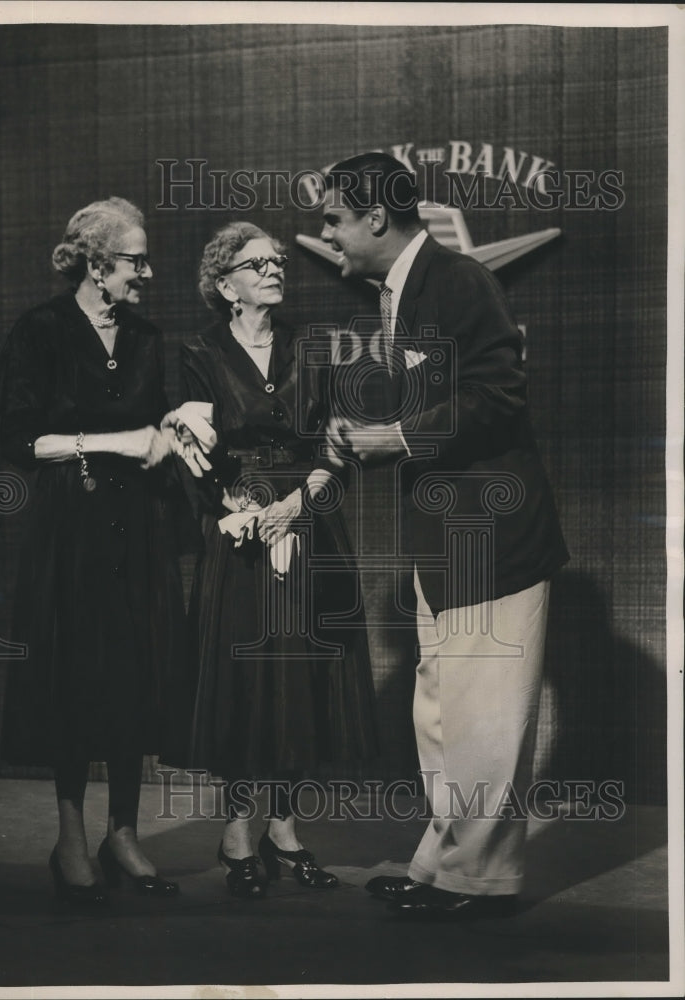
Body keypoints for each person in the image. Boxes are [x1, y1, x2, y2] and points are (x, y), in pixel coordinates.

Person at [318, 153, 569, 920]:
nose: (323, 233)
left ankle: (479, 881)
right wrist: (371, 433)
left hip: (490, 535)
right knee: (443, 706)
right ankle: (440, 862)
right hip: (446, 534)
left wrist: (390, 437)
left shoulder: (457, 280)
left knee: (484, 713)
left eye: (332, 218)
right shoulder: (402, 290)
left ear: (373, 217)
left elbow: (497, 398)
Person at [0, 197, 211, 906]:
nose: (146, 271)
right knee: (73, 678)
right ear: (95, 262)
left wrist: (177, 428)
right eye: (135, 259)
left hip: (138, 527)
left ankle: (123, 832)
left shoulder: (146, 337)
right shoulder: (42, 332)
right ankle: (70, 837)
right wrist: (117, 441)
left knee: (133, 676)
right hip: (71, 530)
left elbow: (155, 427)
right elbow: (19, 440)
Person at [180, 222, 378, 898]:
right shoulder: (196, 353)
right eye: (254, 263)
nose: (272, 270)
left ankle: (284, 829)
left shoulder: (311, 350)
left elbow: (336, 448)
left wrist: (300, 502)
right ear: (223, 283)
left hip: (309, 521)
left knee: (302, 678)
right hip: (236, 533)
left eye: (276, 261)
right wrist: (230, 507)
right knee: (247, 677)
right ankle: (238, 827)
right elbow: (190, 454)